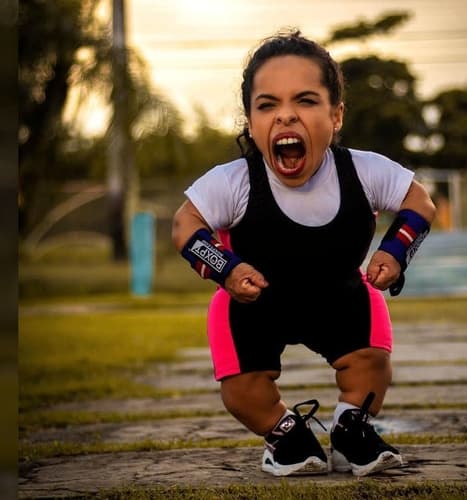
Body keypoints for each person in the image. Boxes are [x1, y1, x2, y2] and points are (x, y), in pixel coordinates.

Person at [171, 30, 436, 477]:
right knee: (243, 392)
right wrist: (227, 269)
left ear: (336, 115)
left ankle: (351, 427)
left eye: (306, 101)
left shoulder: (364, 170)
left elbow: (420, 203)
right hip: (254, 304)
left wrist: (396, 251)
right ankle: (285, 433)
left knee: (372, 365)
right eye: (268, 105)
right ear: (251, 121)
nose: (286, 116)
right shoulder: (234, 180)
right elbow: (184, 226)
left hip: (340, 298)